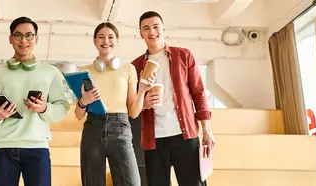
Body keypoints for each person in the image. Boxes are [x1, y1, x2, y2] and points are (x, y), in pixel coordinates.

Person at [0, 16, 70, 186]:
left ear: (36, 38)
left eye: (29, 35)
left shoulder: (50, 72)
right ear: (10, 39)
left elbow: (62, 108)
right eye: (18, 35)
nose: (24, 40)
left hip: (37, 146)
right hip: (2, 146)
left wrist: (44, 108)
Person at [131, 11, 216, 186]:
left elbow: (199, 93)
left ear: (163, 28)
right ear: (141, 34)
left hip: (185, 135)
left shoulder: (183, 56)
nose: (152, 31)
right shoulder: (135, 66)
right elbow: (132, 107)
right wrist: (145, 103)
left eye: (156, 26)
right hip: (153, 140)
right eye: (146, 28)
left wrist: (206, 131)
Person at [74, 22, 154, 186]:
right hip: (92, 128)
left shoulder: (128, 69)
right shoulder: (83, 70)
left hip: (120, 129)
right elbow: (78, 114)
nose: (106, 41)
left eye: (111, 37)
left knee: (131, 182)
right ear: (95, 40)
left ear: (117, 40)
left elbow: (133, 112)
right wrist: (84, 101)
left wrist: (143, 91)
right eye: (101, 37)